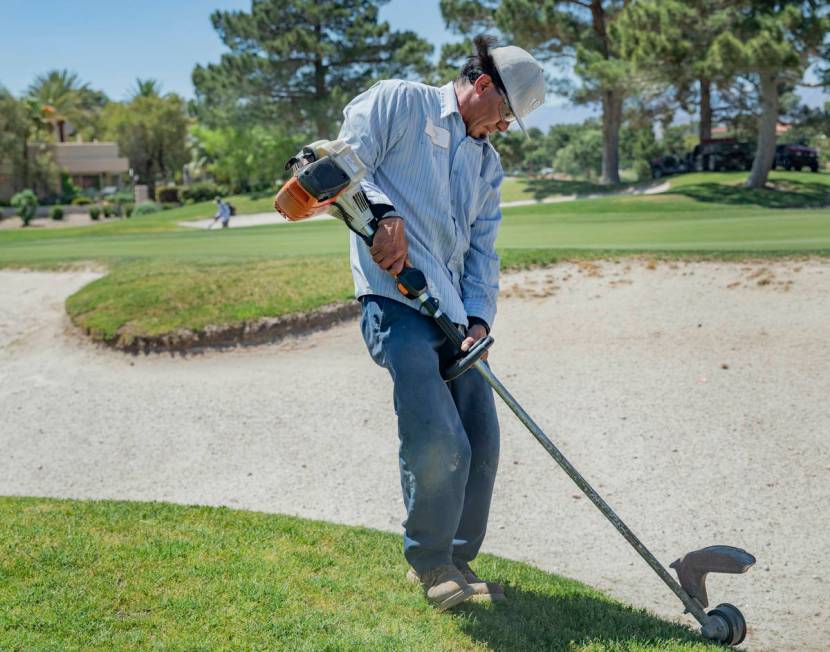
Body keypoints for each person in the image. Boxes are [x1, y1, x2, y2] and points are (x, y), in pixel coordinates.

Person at [337, 36, 545, 611]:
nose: (504, 128)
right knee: (438, 437)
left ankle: (458, 559)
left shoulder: (486, 163)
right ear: (482, 87)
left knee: (481, 440)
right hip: (395, 304)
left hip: (454, 316)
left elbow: (483, 250)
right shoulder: (399, 102)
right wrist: (385, 216)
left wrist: (479, 319)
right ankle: (428, 563)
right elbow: (341, 162)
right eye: (505, 114)